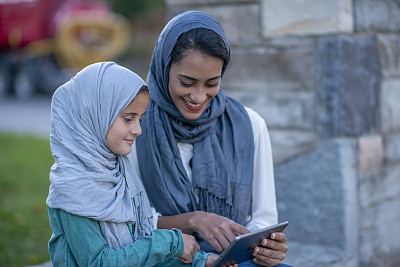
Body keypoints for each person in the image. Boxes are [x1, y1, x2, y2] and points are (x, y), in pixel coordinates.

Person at [132, 11, 291, 267]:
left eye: (211, 83)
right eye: (187, 82)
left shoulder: (249, 125)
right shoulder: (134, 126)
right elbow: (127, 223)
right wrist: (193, 220)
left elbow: (262, 219)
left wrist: (267, 247)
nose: (198, 97)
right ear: (164, 68)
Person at [46, 61, 227, 266]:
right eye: (128, 118)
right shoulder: (73, 188)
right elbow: (99, 262)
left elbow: (138, 252)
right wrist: (169, 243)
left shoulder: (118, 171)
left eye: (140, 119)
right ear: (95, 115)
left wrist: (201, 261)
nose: (138, 130)